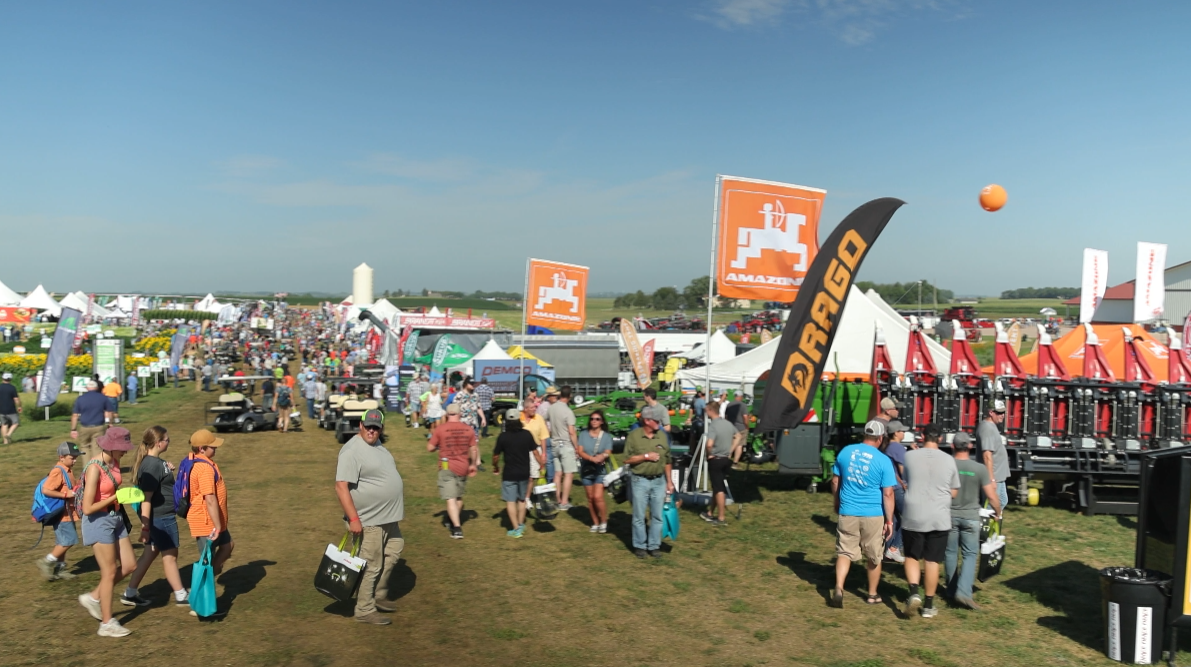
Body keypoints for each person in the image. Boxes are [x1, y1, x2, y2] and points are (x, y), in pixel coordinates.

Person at [335, 410, 405, 624]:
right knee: (372, 563)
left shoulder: (378, 445)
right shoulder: (351, 451)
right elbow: (341, 486)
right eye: (368, 426)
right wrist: (354, 519)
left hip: (387, 518)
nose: (372, 431)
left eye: (376, 427)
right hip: (369, 519)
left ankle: (377, 595)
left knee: (394, 550)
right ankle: (364, 609)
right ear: (361, 425)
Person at [77, 427, 137, 637]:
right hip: (98, 522)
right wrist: (115, 497)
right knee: (109, 572)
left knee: (129, 565)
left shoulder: (114, 461)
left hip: (116, 518)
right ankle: (106, 624)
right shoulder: (94, 468)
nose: (125, 451)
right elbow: (87, 508)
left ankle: (94, 597)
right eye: (122, 448)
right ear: (110, 447)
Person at [829, 421, 897, 608]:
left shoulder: (845, 452)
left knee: (844, 551)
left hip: (848, 511)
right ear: (880, 438)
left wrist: (837, 501)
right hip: (873, 514)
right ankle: (872, 594)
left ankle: (839, 587)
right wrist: (889, 521)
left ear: (864, 434)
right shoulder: (883, 460)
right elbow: (888, 494)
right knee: (874, 555)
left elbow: (835, 481)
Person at [123, 426, 188, 608]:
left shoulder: (155, 463)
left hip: (158, 518)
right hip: (161, 518)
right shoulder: (152, 465)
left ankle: (130, 593)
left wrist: (167, 469)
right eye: (167, 440)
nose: (169, 442)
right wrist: (145, 527)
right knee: (170, 555)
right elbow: (146, 498)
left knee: (149, 554)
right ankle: (181, 595)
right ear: (158, 443)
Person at [900, 424, 960, 619]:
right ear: (940, 439)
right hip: (939, 516)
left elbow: (906, 480)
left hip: (914, 513)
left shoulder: (909, 456)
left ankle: (914, 592)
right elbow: (954, 491)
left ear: (922, 436)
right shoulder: (949, 460)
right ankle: (928, 605)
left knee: (911, 556)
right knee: (932, 560)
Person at [946, 432, 1003, 610]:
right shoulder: (979, 469)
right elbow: (991, 496)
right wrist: (998, 511)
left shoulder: (947, 465)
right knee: (970, 554)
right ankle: (963, 592)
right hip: (970, 518)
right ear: (970, 446)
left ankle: (951, 591)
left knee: (950, 553)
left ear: (953, 446)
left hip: (949, 516)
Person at [623, 411, 673, 559]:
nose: (659, 423)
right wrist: (645, 457)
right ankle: (640, 546)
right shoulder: (634, 436)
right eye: (656, 421)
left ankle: (654, 546)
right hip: (640, 481)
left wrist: (669, 481)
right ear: (646, 420)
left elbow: (668, 460)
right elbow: (626, 459)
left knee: (657, 516)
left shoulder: (662, 436)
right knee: (639, 516)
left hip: (659, 481)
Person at [186, 429, 234, 579]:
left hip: (215, 520)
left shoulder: (202, 462)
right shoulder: (204, 468)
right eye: (212, 446)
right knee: (206, 560)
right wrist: (217, 526)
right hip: (207, 522)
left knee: (227, 545)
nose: (216, 448)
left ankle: (211, 575)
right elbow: (210, 498)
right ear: (202, 449)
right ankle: (201, 590)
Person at [427, 404, 478, 539]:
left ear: (447, 414)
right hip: (463, 465)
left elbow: (430, 447)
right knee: (458, 497)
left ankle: (456, 528)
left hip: (446, 466)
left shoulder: (440, 429)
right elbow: (473, 449)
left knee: (451, 498)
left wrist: (438, 446)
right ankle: (453, 520)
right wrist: (473, 464)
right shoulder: (468, 429)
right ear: (459, 414)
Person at [493, 408, 543, 538]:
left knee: (510, 501)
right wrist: (542, 465)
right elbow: (535, 452)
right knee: (522, 500)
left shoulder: (503, 437)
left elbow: (496, 456)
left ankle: (516, 528)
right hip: (524, 473)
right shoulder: (526, 434)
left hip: (509, 474)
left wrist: (495, 467)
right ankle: (520, 524)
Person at [36, 442, 82, 581]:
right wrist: (65, 495)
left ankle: (60, 569)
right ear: (61, 457)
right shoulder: (58, 471)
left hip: (68, 513)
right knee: (69, 541)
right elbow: (46, 490)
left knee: (62, 542)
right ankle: (46, 561)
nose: (75, 460)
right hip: (62, 515)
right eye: (72, 458)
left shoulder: (67, 470)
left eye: (76, 457)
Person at [699, 401, 736, 526]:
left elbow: (709, 444)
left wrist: (709, 454)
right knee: (717, 485)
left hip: (716, 460)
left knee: (719, 489)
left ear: (710, 410)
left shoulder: (713, 426)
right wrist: (730, 450)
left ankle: (721, 518)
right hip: (726, 459)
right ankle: (710, 512)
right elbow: (738, 436)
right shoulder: (728, 423)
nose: (705, 413)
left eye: (706, 410)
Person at [577, 409, 613, 533]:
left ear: (602, 421)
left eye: (597, 419)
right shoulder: (583, 434)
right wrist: (591, 458)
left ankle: (603, 521)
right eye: (592, 419)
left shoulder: (606, 436)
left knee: (598, 497)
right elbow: (580, 451)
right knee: (590, 498)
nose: (594, 421)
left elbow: (608, 451)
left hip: (600, 470)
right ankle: (595, 522)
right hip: (586, 469)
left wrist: (602, 456)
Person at [547, 385, 579, 511]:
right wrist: (577, 447)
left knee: (557, 474)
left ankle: (556, 499)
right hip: (566, 444)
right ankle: (564, 502)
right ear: (570, 396)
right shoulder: (568, 412)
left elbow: (544, 420)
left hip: (554, 444)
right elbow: (572, 432)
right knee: (568, 474)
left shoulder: (551, 408)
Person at [883, 420, 910, 564]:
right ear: (896, 433)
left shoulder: (886, 446)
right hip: (898, 489)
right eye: (902, 431)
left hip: (887, 488)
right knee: (910, 517)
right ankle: (895, 548)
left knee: (893, 520)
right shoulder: (897, 448)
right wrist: (907, 483)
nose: (904, 433)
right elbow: (903, 470)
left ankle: (888, 552)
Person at [977, 400, 1010, 509]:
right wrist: (991, 480)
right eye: (999, 413)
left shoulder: (992, 426)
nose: (1002, 415)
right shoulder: (987, 429)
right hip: (994, 476)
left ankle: (994, 519)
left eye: (1003, 412)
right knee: (991, 506)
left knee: (1002, 501)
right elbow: (987, 456)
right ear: (991, 412)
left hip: (999, 476)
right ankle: (987, 521)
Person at [518, 399, 550, 505]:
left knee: (532, 476)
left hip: (535, 450)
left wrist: (544, 453)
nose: (534, 409)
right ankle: (520, 495)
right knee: (521, 475)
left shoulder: (539, 418)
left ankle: (527, 498)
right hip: (520, 451)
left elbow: (543, 437)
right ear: (525, 409)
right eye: (532, 408)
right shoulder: (519, 418)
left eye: (535, 407)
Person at [71, 381, 109, 460]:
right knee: (97, 447)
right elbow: (108, 412)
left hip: (84, 427)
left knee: (84, 447)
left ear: (87, 388)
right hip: (99, 426)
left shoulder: (80, 398)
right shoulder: (103, 398)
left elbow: (75, 415)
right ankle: (97, 465)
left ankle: (87, 466)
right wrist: (109, 422)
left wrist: (73, 429)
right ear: (97, 388)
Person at [723, 394, 748, 463]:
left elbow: (726, 416)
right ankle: (735, 462)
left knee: (730, 444)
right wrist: (747, 426)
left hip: (731, 427)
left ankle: (726, 460)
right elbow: (745, 417)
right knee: (739, 445)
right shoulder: (743, 405)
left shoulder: (729, 405)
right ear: (741, 397)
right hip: (741, 428)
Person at [0, 371, 22, 444]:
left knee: (4, 424)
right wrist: (19, 406)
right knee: (16, 423)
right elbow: (16, 399)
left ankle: (5, 441)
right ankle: (8, 435)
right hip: (10, 409)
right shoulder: (12, 388)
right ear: (10, 379)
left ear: (3, 378)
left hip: (1, 410)